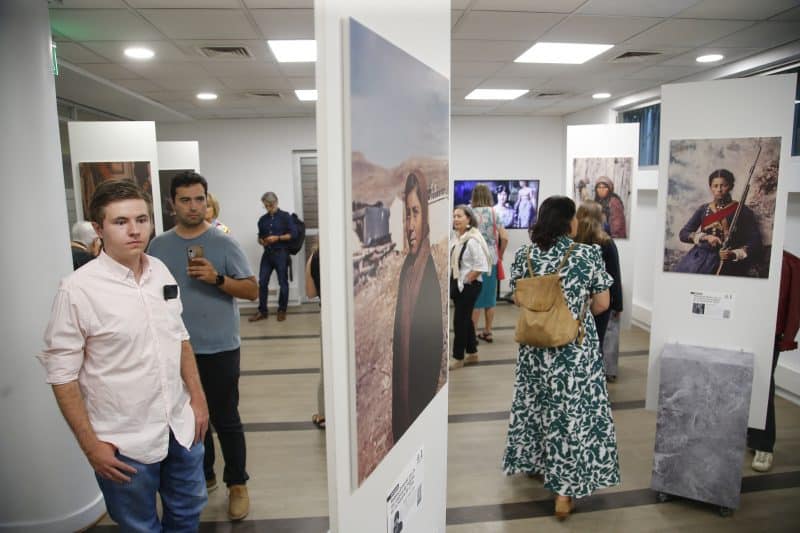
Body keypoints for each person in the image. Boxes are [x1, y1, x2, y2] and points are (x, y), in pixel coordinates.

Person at [39, 179, 209, 531]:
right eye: (120, 222)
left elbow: (180, 338)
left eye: (142, 219)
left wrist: (198, 401)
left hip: (179, 427)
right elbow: (62, 375)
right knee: (139, 526)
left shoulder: (159, 270)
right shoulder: (77, 290)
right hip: (123, 442)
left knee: (188, 514)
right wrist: (90, 447)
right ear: (99, 228)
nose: (135, 230)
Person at [148, 171, 258, 521]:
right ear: (172, 204)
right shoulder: (158, 246)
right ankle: (205, 473)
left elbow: (252, 290)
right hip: (176, 349)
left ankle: (237, 484)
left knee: (225, 417)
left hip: (220, 347)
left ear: (207, 200)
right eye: (186, 200)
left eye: (200, 199)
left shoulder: (224, 242)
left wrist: (218, 279)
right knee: (191, 417)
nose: (194, 207)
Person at [502, 196, 620, 520]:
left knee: (538, 408)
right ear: (571, 222)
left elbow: (517, 300)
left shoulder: (524, 254)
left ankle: (538, 464)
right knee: (570, 417)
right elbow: (602, 304)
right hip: (573, 353)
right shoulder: (586, 254)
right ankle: (564, 494)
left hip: (533, 352)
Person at [392, 172, 444, 442]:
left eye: (416, 213)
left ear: (426, 218)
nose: (409, 225)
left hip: (418, 410)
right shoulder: (409, 269)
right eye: (406, 214)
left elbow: (429, 358)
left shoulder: (427, 276)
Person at [748, 250, 800, 472]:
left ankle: (763, 443)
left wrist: (786, 337)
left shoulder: (789, 263)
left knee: (762, 384)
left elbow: (794, 305)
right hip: (736, 327)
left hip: (769, 333)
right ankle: (749, 433)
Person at [674, 169, 761, 277]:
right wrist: (705, 237)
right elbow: (684, 233)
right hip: (698, 258)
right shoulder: (703, 209)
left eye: (723, 185)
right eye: (715, 186)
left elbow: (755, 241)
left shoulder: (742, 210)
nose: (719, 189)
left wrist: (734, 254)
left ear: (731, 186)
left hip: (726, 261)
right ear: (710, 187)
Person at [575, 201, 623, 381]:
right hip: (601, 301)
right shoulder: (605, 242)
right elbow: (614, 274)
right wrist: (617, 304)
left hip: (577, 301)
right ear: (600, 217)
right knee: (598, 342)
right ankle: (595, 378)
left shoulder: (573, 241)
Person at [449, 205, 490, 370]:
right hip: (458, 284)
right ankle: (472, 353)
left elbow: (481, 265)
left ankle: (458, 357)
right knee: (466, 319)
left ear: (469, 219)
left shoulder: (473, 240)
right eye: (454, 216)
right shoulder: (456, 237)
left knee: (459, 321)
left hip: (470, 285)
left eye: (459, 216)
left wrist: (467, 280)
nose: (455, 219)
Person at [250, 192, 297, 322]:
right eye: (265, 206)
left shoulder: (285, 217)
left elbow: (293, 234)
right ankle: (262, 311)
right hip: (267, 254)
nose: (268, 208)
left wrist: (277, 238)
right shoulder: (262, 220)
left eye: (269, 205)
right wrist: (261, 241)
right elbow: (259, 236)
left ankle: (282, 310)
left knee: (283, 282)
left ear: (275, 202)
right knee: (262, 282)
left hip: (281, 253)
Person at [470, 184, 508, 344]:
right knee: (490, 298)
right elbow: (505, 237)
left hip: (473, 260)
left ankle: (472, 334)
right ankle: (488, 331)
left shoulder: (469, 213)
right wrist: (500, 254)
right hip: (491, 259)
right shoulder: (494, 213)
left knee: (475, 299)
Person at [306, 246, 325, 429]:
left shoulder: (316, 256)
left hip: (327, 315)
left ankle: (324, 415)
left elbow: (310, 293)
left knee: (327, 367)